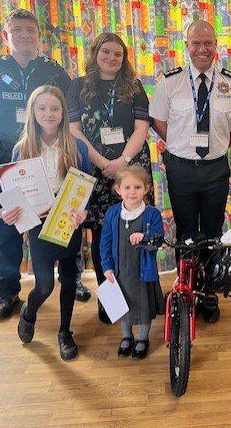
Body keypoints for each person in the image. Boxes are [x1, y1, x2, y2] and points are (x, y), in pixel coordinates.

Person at [0, 8, 91, 320]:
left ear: (38, 36)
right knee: (9, 223)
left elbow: (69, 110)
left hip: (55, 150)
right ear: (6, 36)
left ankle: (70, 280)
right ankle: (7, 290)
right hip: (13, 157)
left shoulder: (52, 71)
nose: (24, 36)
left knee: (65, 211)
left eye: (30, 31)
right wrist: (7, 137)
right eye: (17, 30)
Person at [150, 20, 231, 323]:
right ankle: (186, 290)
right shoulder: (169, 83)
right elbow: (158, 121)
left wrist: (220, 144)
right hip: (180, 168)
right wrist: (180, 144)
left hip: (215, 170)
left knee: (210, 232)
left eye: (208, 43)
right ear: (186, 46)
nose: (202, 49)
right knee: (185, 233)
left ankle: (208, 290)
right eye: (195, 43)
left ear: (216, 46)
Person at [67, 32, 153, 323]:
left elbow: (142, 129)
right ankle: (111, 303)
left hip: (131, 170)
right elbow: (74, 130)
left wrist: (122, 163)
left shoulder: (134, 87)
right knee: (102, 237)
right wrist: (104, 162)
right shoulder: (78, 86)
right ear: (95, 53)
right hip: (93, 167)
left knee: (136, 232)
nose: (111, 58)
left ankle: (141, 298)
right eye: (106, 52)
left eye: (118, 54)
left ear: (124, 58)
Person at [0, 86, 90, 360]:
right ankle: (29, 312)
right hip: (37, 222)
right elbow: (12, 192)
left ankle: (64, 331)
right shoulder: (22, 148)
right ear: (32, 112)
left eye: (55, 108)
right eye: (42, 108)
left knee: (71, 277)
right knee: (45, 285)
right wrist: (8, 213)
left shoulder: (77, 146)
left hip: (67, 219)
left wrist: (82, 212)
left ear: (63, 112)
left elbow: (84, 186)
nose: (48, 114)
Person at [100, 165, 164, 360]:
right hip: (119, 273)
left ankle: (143, 339)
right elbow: (105, 242)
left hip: (142, 273)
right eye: (127, 187)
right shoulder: (112, 214)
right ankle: (127, 336)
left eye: (137, 187)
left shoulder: (152, 214)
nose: (132, 192)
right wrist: (107, 267)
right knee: (123, 306)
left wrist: (145, 237)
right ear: (118, 189)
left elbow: (158, 240)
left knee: (143, 307)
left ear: (146, 189)